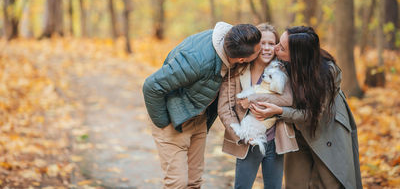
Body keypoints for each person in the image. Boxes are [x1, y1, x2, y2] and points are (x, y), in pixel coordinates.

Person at [142, 22, 262, 189]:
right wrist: (164, 123)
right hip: (173, 120)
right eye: (258, 51)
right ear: (242, 59)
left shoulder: (232, 41)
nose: (261, 51)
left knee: (194, 182)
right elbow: (151, 87)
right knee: (177, 183)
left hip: (198, 118)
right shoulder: (196, 61)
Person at [250, 26, 362, 189]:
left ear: (296, 56)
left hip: (327, 129)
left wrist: (279, 111)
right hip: (297, 131)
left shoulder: (327, 73)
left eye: (281, 47)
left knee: (329, 183)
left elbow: (312, 115)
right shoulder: (283, 62)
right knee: (295, 183)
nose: (275, 48)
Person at [218, 23, 298, 189]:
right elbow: (225, 108)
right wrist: (241, 135)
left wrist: (254, 98)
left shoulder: (280, 70)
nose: (267, 48)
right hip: (249, 141)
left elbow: (287, 100)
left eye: (272, 43)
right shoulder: (237, 70)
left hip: (276, 140)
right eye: (263, 43)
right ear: (254, 46)